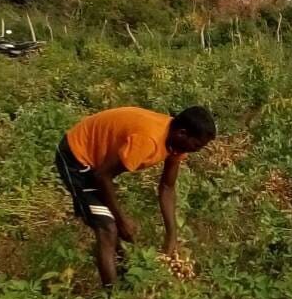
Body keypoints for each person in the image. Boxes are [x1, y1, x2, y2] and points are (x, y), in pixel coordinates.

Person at [55, 106, 216, 286]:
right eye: (197, 145)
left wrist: (171, 235)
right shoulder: (149, 140)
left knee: (111, 225)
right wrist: (121, 219)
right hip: (76, 157)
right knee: (108, 228)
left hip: (98, 166)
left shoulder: (175, 143)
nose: (197, 150)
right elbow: (102, 176)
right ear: (182, 133)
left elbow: (167, 187)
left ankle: (126, 281)